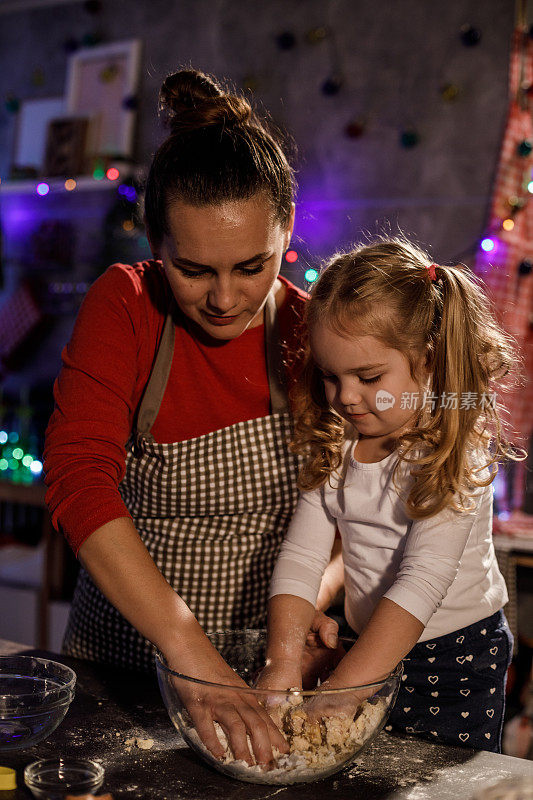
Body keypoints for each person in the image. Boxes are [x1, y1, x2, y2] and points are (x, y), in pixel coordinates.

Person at [43, 69, 340, 766]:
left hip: (267, 677)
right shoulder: (126, 306)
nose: (224, 298)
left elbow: (348, 499)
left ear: (287, 229)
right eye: (193, 269)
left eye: (251, 266)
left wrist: (298, 629)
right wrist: (184, 649)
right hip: (121, 670)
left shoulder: (315, 330)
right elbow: (79, 478)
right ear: (154, 244)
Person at [257, 237, 526, 753]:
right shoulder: (337, 446)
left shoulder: (453, 452)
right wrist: (283, 662)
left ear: (426, 362)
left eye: (368, 376)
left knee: (442, 782)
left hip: (457, 657)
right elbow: (302, 554)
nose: (345, 397)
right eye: (331, 377)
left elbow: (422, 578)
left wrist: (340, 693)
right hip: (371, 647)